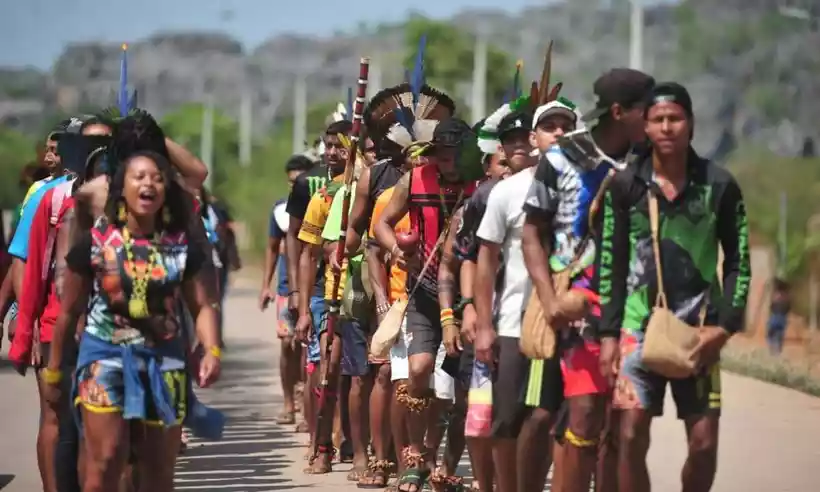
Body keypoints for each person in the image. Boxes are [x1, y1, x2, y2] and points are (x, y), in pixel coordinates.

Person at [41, 112, 221, 492]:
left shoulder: (177, 206)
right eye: (138, 175)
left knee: (156, 470)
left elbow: (202, 299)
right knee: (105, 461)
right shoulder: (91, 198)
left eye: (155, 175)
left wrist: (211, 347)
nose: (148, 184)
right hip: (104, 351)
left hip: (164, 354)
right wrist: (58, 365)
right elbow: (68, 291)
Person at [596, 82, 751, 492]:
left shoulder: (719, 185)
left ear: (691, 124)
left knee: (703, 445)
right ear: (644, 127)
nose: (667, 127)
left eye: (675, 118)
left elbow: (739, 260)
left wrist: (725, 326)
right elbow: (609, 265)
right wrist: (609, 335)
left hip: (699, 334)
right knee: (628, 437)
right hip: (635, 331)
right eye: (658, 119)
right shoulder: (625, 186)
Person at [522, 68, 655, 492]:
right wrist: (550, 301)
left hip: (638, 307)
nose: (655, 119)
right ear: (619, 112)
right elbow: (531, 235)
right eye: (646, 109)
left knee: (625, 425)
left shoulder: (652, 160)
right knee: (583, 416)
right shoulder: (561, 158)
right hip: (580, 308)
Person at [374, 117, 478, 492]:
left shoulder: (480, 186)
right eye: (442, 154)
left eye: (454, 154)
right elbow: (382, 224)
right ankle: (414, 457)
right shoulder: (414, 179)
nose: (448, 161)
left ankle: (444, 464)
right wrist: (396, 251)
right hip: (422, 290)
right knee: (418, 370)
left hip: (468, 296)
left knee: (461, 388)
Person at [294, 118, 355, 474]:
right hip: (325, 293)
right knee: (328, 367)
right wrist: (302, 307)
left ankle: (352, 439)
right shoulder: (323, 195)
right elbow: (308, 253)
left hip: (361, 291)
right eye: (328, 145)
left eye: (339, 146)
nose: (332, 152)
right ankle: (322, 445)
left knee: (356, 373)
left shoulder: (369, 188)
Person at [260, 154, 316, 427]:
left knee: (308, 349)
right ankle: (287, 402)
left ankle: (308, 407)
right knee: (287, 345)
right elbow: (272, 248)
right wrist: (265, 286)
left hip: (313, 287)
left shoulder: (320, 203)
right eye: (294, 181)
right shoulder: (280, 210)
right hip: (286, 288)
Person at [767, 278, 790, 355]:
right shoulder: (787, 297)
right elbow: (788, 308)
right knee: (779, 335)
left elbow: (771, 306)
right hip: (783, 318)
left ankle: (771, 349)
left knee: (771, 333)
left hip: (775, 316)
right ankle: (778, 351)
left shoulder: (776, 296)